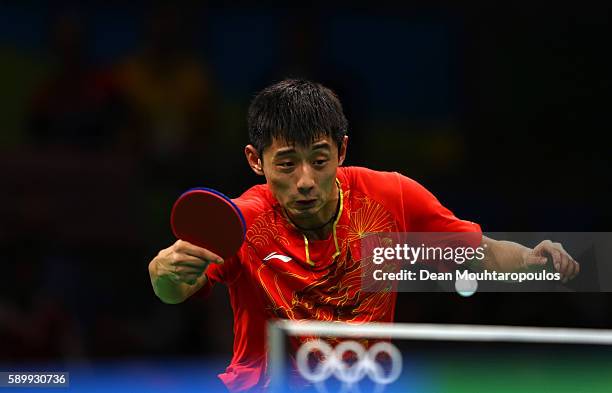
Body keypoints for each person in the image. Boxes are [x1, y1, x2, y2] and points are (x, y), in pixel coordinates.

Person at [148, 79, 579, 392]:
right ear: (255, 162)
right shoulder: (243, 221)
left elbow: (477, 254)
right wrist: (164, 272)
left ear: (342, 151)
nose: (305, 181)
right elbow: (175, 289)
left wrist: (531, 260)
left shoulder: (390, 196)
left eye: (319, 160)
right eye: (286, 164)